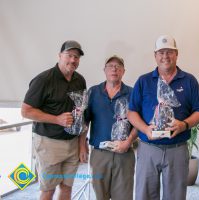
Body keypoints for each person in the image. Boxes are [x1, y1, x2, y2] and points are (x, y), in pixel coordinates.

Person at [128, 35, 199, 200]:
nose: (165, 56)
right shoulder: (144, 81)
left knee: (175, 196)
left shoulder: (189, 80)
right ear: (155, 55)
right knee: (145, 195)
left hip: (177, 149)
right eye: (161, 52)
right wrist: (145, 129)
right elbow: (132, 112)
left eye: (169, 52)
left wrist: (184, 125)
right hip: (148, 147)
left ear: (176, 54)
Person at [21, 40, 86, 200]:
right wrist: (57, 119)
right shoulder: (43, 79)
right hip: (49, 144)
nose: (72, 60)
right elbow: (26, 111)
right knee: (48, 191)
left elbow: (82, 113)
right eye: (69, 55)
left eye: (76, 57)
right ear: (59, 56)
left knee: (66, 189)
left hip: (72, 145)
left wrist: (82, 144)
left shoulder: (80, 80)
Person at [79, 55, 137, 200]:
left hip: (124, 153)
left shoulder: (132, 93)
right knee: (100, 195)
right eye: (110, 66)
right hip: (100, 154)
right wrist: (82, 145)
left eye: (118, 66)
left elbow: (139, 123)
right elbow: (84, 122)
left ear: (123, 71)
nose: (114, 69)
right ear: (104, 70)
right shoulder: (93, 92)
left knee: (123, 196)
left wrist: (128, 141)